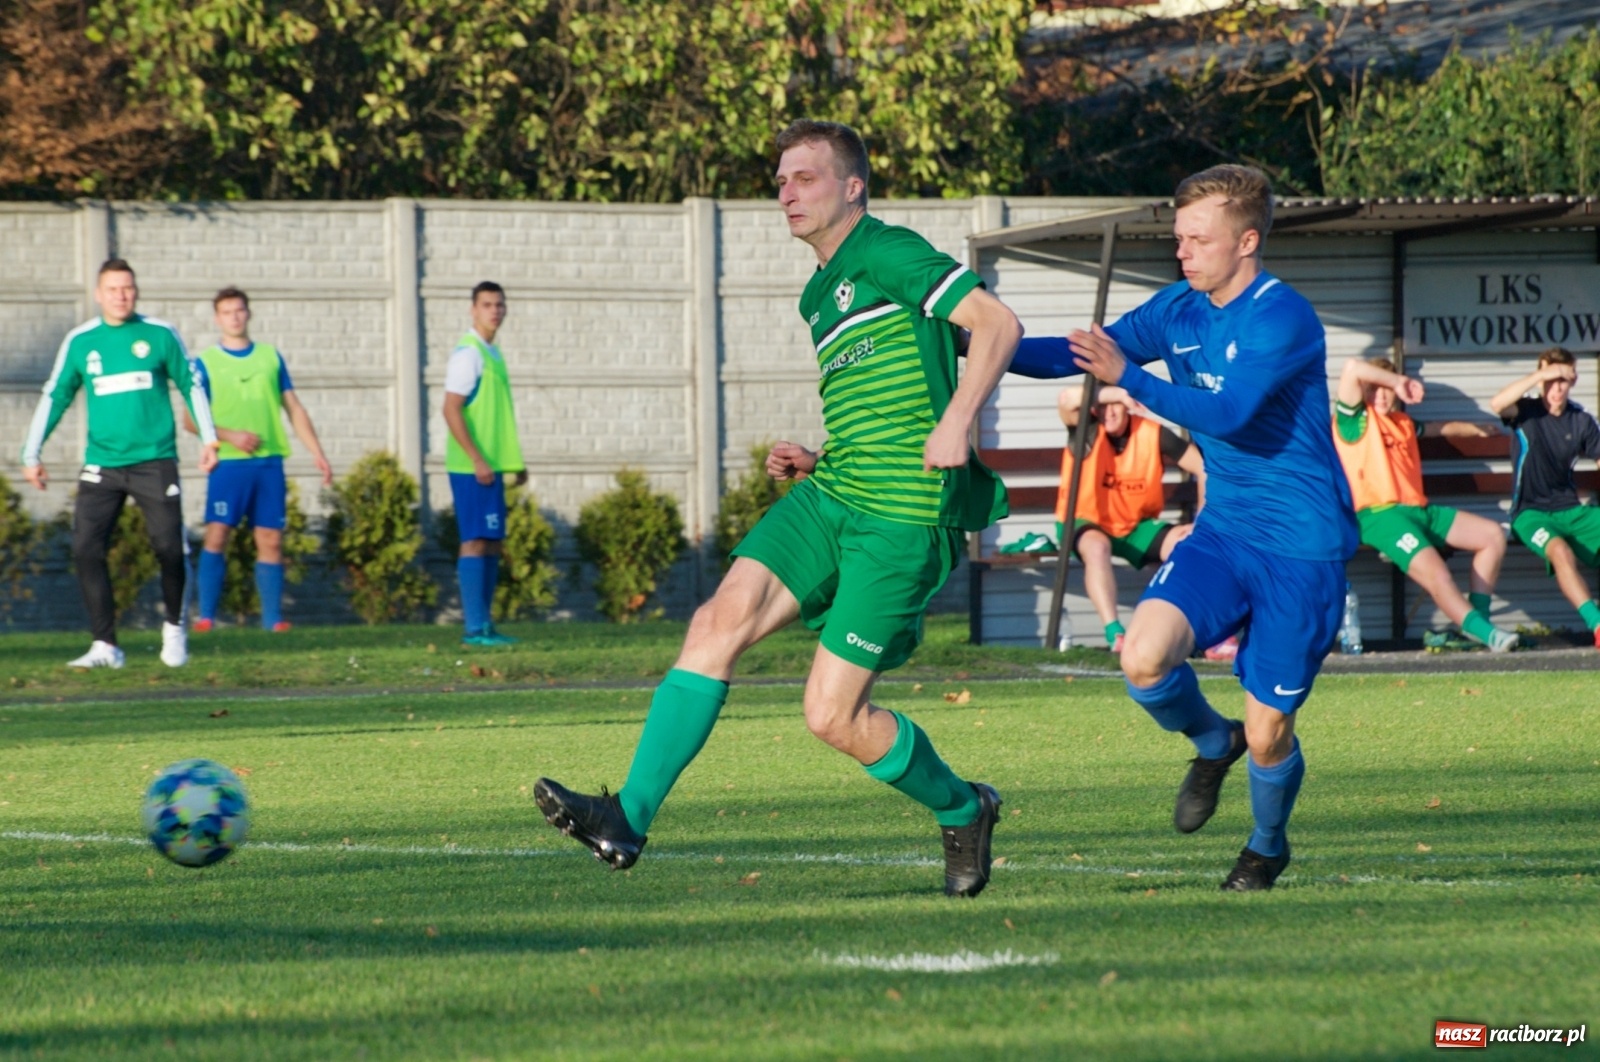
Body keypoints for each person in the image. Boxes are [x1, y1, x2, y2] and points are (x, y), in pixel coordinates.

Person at [533, 119, 1022, 897]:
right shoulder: (820, 292)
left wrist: (959, 422)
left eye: (804, 178)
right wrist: (818, 458)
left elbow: (998, 326)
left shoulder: (891, 252)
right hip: (834, 494)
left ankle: (964, 806)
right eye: (781, 180)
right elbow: (885, 401)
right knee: (714, 622)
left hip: (902, 516)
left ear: (852, 186)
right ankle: (625, 816)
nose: (786, 192)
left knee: (832, 716)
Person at [1006, 164, 1357, 890]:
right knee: (1142, 657)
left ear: (1247, 241)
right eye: (1178, 238)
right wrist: (973, 339)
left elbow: (1230, 413)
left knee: (1272, 732)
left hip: (1303, 549)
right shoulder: (1179, 308)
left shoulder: (1280, 316)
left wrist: (1128, 377)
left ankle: (1266, 844)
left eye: (1198, 239)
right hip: (1225, 535)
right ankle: (1210, 739)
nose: (1183, 252)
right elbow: (1076, 356)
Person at [19, 258, 219, 669]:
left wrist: (210, 438)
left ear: (136, 290)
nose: (121, 295)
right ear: (99, 294)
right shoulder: (81, 341)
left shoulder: (160, 335)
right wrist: (31, 454)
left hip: (155, 462)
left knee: (168, 548)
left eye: (127, 288)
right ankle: (105, 645)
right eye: (112, 289)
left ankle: (174, 628)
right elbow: (55, 395)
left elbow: (191, 383)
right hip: (103, 465)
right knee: (86, 548)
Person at [1333, 357, 1517, 652]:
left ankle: (1477, 623)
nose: (1382, 394)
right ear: (1366, 391)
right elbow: (1351, 368)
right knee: (1437, 573)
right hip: (1379, 516)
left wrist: (1475, 429)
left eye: (1387, 388)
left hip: (1419, 511)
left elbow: (1437, 428)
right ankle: (1489, 635)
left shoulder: (1402, 423)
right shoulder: (1354, 421)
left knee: (1492, 535)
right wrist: (1396, 380)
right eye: (1376, 387)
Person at [185, 287, 334, 633]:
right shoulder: (205, 362)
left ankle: (272, 621)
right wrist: (230, 435)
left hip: (268, 464)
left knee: (270, 539)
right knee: (218, 534)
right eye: (226, 312)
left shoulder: (270, 357)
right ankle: (206, 616)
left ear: (248, 313)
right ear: (217, 318)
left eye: (239, 310)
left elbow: (293, 407)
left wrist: (317, 452)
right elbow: (190, 419)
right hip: (229, 465)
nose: (234, 317)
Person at [1056, 387, 1203, 652]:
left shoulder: (1152, 433)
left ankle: (1191, 634)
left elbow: (1204, 469)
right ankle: (1116, 635)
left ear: (1129, 406)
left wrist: (1205, 522)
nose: (1109, 412)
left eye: (1117, 405)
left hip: (1135, 526)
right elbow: (1066, 400)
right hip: (1086, 521)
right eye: (1104, 404)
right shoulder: (1086, 430)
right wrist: (1116, 394)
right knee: (1097, 547)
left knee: (1189, 545)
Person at [1489, 347, 1600, 648]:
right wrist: (1542, 373)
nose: (1555, 388)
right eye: (1550, 380)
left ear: (1573, 381)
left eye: (1562, 379)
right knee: (1560, 551)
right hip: (1530, 513)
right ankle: (1597, 625)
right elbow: (1497, 403)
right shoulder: (1526, 411)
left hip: (1571, 511)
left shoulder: (1581, 421)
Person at [443, 281, 527, 647]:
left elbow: (495, 417)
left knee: (491, 542)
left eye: (499, 305)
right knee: (475, 541)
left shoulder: (492, 353)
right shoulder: (469, 354)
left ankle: (486, 625)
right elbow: (450, 408)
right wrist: (476, 458)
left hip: (490, 466)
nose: (494, 310)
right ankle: (474, 629)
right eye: (487, 304)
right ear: (473, 309)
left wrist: (514, 462)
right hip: (470, 467)